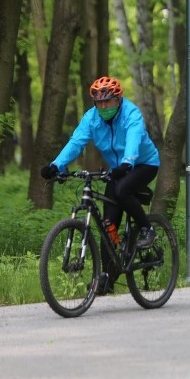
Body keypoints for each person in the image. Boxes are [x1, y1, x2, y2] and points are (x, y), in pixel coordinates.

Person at [41, 76, 161, 294]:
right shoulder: (91, 119)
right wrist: (56, 165)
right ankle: (107, 276)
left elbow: (134, 139)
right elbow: (76, 142)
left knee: (122, 190)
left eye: (108, 101)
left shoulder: (131, 114)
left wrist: (127, 162)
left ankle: (148, 228)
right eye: (99, 103)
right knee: (108, 224)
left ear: (118, 99)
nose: (103, 106)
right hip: (118, 169)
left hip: (143, 164)